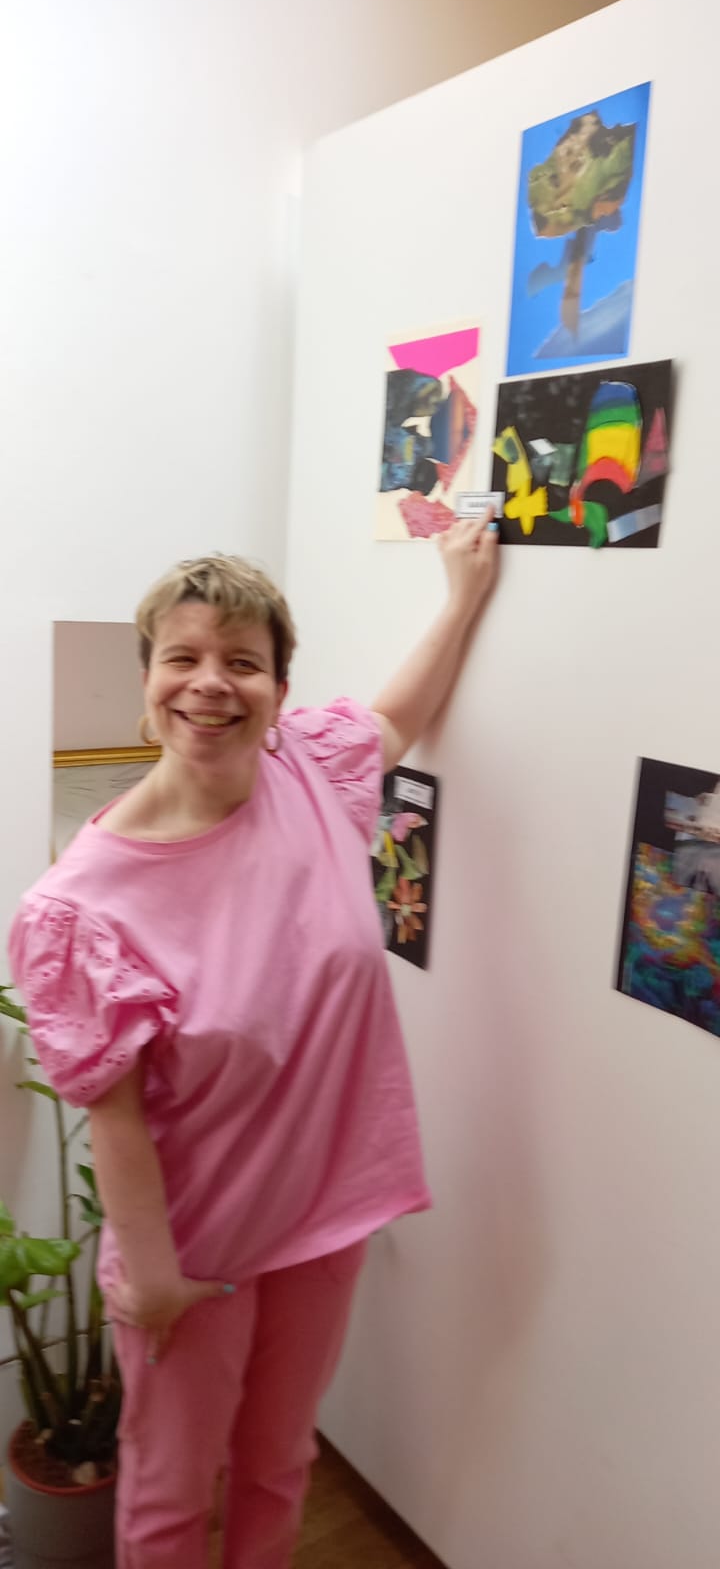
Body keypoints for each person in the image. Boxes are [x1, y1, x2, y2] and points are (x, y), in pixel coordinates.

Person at [9, 518, 499, 1569]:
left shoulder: (313, 773)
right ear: (147, 680)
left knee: (280, 1462)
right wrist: (152, 1278)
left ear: (279, 685)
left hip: (325, 1214)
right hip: (196, 1249)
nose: (210, 683)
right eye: (181, 657)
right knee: (169, 1497)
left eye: (242, 660)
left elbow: (396, 716)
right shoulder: (83, 905)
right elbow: (114, 1117)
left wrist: (460, 599)